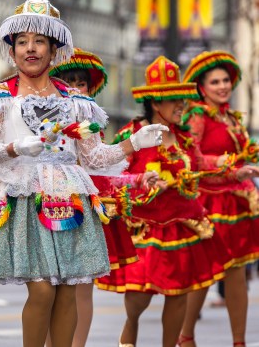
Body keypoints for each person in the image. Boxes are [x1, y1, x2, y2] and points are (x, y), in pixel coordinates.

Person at [0, 0, 167, 347]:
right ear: (12, 49)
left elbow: (93, 158)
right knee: (43, 290)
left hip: (67, 197)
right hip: (21, 198)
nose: (30, 48)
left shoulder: (77, 101)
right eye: (22, 41)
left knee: (66, 291)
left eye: (39, 41)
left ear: (54, 48)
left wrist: (135, 143)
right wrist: (18, 148)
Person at [96, 56, 234, 347]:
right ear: (156, 102)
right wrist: (141, 185)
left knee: (179, 295)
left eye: (182, 98)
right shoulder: (131, 136)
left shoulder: (184, 139)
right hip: (145, 230)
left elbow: (201, 169)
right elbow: (110, 176)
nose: (181, 105)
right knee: (137, 301)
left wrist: (231, 169)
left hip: (182, 226)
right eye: (174, 99)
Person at [50, 48, 158, 347]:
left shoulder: (89, 126)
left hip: (81, 211)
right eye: (67, 80)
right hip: (41, 206)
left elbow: (100, 167)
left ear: (89, 88)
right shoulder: (38, 116)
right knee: (45, 288)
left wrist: (137, 177)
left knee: (81, 288)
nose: (74, 87)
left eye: (81, 82)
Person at [178, 51, 259, 347]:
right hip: (210, 203)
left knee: (237, 273)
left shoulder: (230, 117)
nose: (223, 86)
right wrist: (230, 166)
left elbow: (244, 155)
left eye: (225, 80)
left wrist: (247, 162)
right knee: (205, 273)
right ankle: (185, 336)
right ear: (201, 87)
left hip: (236, 202)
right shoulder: (196, 116)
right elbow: (192, 159)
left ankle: (239, 342)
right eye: (215, 82)